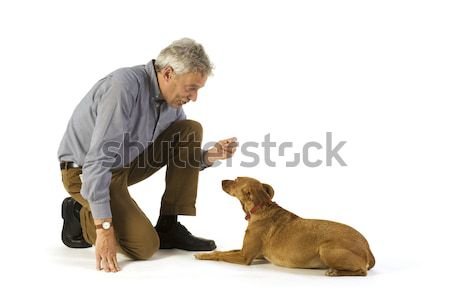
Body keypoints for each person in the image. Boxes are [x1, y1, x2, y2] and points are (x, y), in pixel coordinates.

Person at [58, 38, 238, 273]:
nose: (194, 97)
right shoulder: (123, 87)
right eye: (191, 88)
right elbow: (97, 161)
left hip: (123, 166)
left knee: (189, 130)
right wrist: (103, 227)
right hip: (85, 172)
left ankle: (168, 226)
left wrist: (209, 157)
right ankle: (80, 214)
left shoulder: (171, 104)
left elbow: (182, 153)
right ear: (168, 73)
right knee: (144, 246)